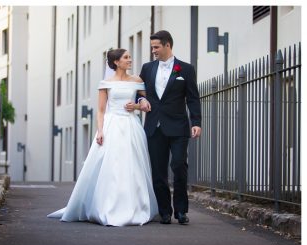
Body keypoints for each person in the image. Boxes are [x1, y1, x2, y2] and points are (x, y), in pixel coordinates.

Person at [47, 49, 158, 226]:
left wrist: (137, 106)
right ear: (116, 62)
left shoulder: (137, 80)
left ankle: (135, 206)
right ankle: (108, 206)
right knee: (112, 166)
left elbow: (147, 104)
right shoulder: (106, 83)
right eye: (126, 58)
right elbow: (100, 110)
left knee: (132, 165)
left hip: (131, 126)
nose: (130, 60)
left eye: (130, 56)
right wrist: (100, 131)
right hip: (112, 124)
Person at [138, 30, 202, 225]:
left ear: (167, 45)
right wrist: (141, 100)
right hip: (154, 126)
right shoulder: (147, 68)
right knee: (158, 171)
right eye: (152, 47)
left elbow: (192, 97)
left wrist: (197, 122)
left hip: (179, 127)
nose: (153, 51)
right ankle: (165, 211)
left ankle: (181, 211)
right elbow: (137, 92)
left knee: (179, 166)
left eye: (156, 47)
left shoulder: (186, 69)